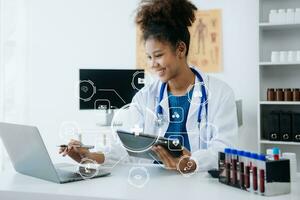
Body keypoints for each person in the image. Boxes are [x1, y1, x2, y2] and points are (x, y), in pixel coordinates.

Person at [59, 0, 238, 174]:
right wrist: (89, 156)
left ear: (180, 49)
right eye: (149, 57)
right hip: (155, 186)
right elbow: (125, 149)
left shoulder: (220, 94)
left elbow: (224, 151)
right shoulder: (145, 97)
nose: (153, 64)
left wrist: (190, 163)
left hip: (201, 186)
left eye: (158, 55)